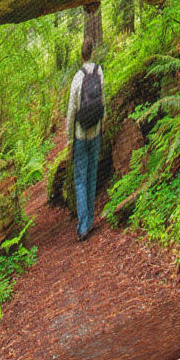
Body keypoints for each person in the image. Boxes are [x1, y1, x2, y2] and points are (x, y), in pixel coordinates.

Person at [66, 37, 105, 241]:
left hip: (81, 134)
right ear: (92, 53)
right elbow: (103, 101)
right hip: (96, 131)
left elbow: (72, 110)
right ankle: (89, 220)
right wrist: (102, 125)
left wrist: (68, 137)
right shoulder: (99, 72)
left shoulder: (77, 78)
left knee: (80, 179)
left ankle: (83, 226)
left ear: (81, 55)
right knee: (91, 175)